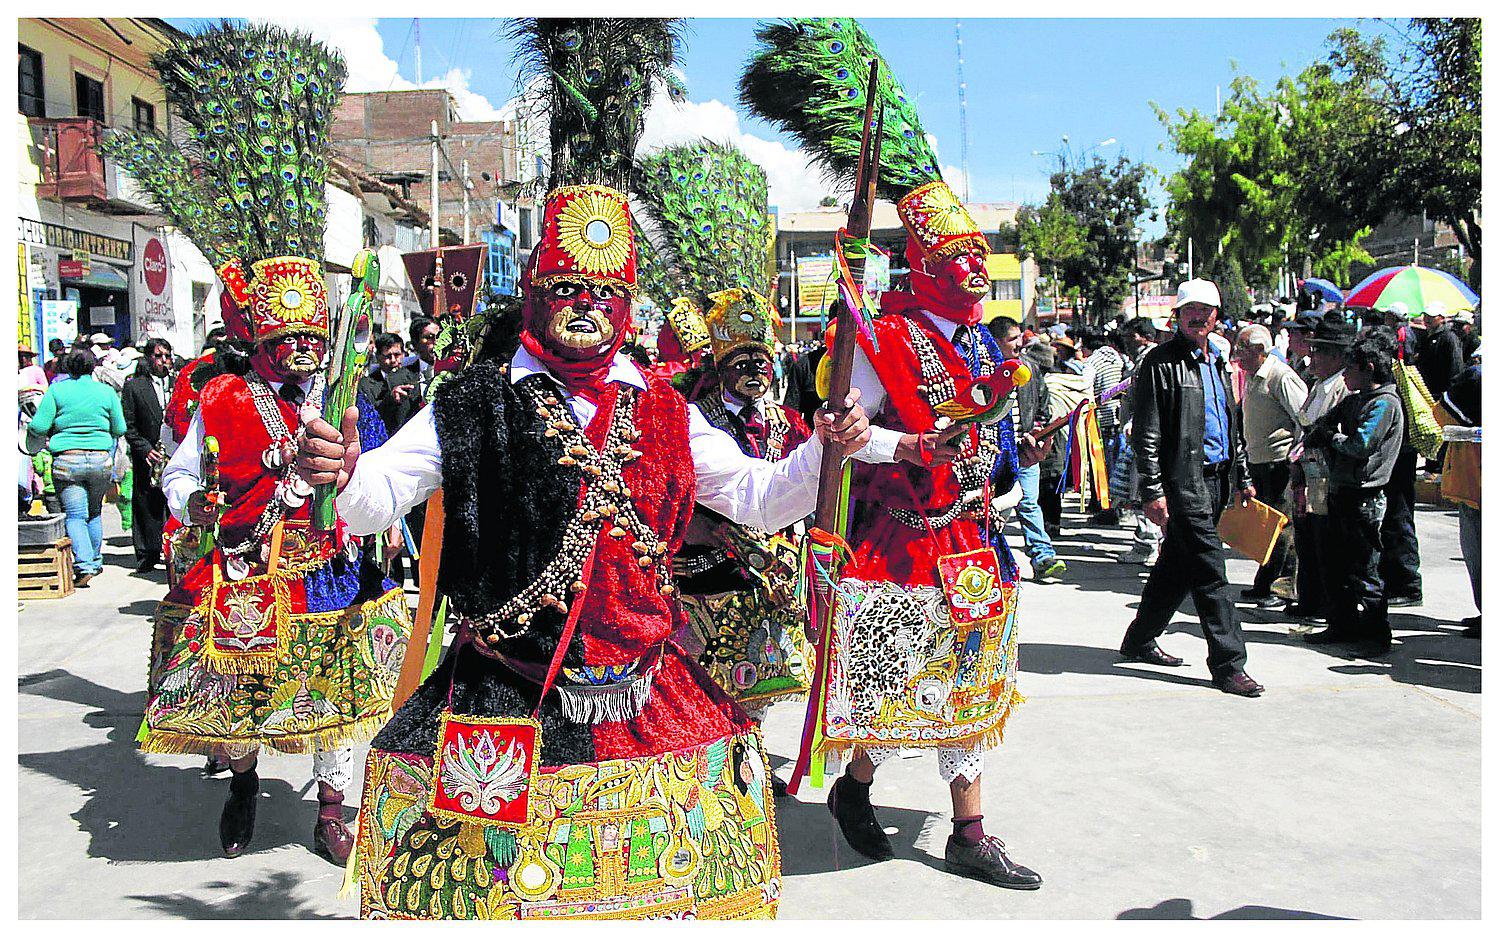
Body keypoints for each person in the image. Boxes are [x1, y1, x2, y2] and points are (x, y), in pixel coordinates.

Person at [299, 20, 871, 918]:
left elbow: (761, 502)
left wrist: (823, 451)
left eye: (604, 293)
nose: (585, 310)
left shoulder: (666, 407)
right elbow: (377, 503)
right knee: (495, 900)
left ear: (627, 301)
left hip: (647, 696)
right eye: (566, 289)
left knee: (656, 893)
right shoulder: (472, 399)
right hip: (506, 693)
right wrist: (339, 473)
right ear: (534, 292)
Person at [104, 20, 414, 865]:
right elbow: (176, 472)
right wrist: (195, 502)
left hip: (336, 565)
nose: (305, 353)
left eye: (313, 340)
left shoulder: (351, 394)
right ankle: (242, 779)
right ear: (264, 341)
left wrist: (388, 525)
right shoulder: (226, 395)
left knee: (341, 691)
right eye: (291, 343)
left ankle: (335, 809)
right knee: (241, 694)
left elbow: (382, 468)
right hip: (247, 562)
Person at [745, 17, 1041, 890]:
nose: (978, 266)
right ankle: (856, 787)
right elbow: (849, 434)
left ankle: (970, 829)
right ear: (925, 260)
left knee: (969, 682)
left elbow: (987, 434)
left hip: (971, 536)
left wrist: (1003, 474)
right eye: (962, 253)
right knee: (893, 683)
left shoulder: (986, 341)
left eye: (981, 252)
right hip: (900, 539)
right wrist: (914, 438)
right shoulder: (886, 339)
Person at [1119, 279, 1263, 697]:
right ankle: (1229, 664)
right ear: (1178, 316)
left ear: (1217, 316)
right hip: (1185, 480)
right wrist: (1152, 490)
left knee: (1176, 567)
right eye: (1190, 310)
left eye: (1206, 310)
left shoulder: (1219, 360)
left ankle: (1139, 637)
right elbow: (1146, 432)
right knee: (1210, 572)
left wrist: (1244, 476)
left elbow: (1230, 423)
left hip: (1219, 478)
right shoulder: (1159, 363)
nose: (1198, 317)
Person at [1302, 332, 1404, 653]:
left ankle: (1376, 633)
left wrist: (1332, 438)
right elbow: (1322, 423)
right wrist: (1325, 432)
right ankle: (1341, 623)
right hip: (1341, 491)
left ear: (1369, 368)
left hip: (1364, 497)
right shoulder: (1355, 399)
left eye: (1350, 369)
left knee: (1364, 569)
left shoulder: (1384, 404)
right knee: (1335, 565)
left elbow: (1360, 445)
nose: (1344, 376)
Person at [24, 348, 124, 586]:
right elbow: (119, 428)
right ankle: (95, 561)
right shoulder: (106, 392)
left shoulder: (58, 390)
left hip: (68, 462)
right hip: (101, 462)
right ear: (93, 367)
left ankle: (85, 565)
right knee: (94, 512)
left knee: (76, 515)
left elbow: (38, 425)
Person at [1232, 324, 1307, 606]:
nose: (1238, 355)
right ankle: (1265, 582)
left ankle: (1283, 586)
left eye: (1243, 349)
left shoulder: (1280, 377)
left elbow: (1304, 418)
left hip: (1280, 462)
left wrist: (1295, 459)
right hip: (1259, 461)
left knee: (1282, 526)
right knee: (1266, 526)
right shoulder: (1253, 377)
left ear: (1260, 351)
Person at [1285, 315, 1355, 621]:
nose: (1312, 357)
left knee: (1326, 543)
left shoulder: (1342, 388)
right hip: (1306, 473)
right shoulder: (1317, 385)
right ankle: (1309, 598)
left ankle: (1327, 603)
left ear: (1337, 356)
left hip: (1326, 475)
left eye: (1320, 351)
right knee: (1307, 539)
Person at [991, 317, 1063, 580]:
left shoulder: (1030, 369)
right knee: (995, 510)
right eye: (1012, 339)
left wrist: (1040, 431)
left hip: (1026, 451)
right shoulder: (985, 371)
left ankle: (1042, 555)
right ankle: (989, 558)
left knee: (1030, 503)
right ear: (996, 341)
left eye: (1020, 337)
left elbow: (1042, 404)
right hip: (997, 454)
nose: (1019, 343)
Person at [1434, 351, 1481, 637]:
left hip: (1474, 483)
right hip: (1472, 485)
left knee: (1478, 552)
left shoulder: (1476, 378)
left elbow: (1441, 415)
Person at [121, 337, 174, 572]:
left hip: (174, 451)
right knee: (146, 503)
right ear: (149, 358)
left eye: (167, 356)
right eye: (158, 356)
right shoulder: (135, 386)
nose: (164, 361)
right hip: (149, 453)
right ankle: (147, 552)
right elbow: (128, 425)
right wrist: (144, 448)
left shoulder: (178, 382)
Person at [1081, 327, 1127, 526]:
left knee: (1103, 466)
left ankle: (1108, 510)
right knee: (1115, 464)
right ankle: (1117, 507)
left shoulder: (1091, 363)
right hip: (1119, 416)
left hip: (1101, 419)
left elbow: (1086, 389)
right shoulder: (1118, 358)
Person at [359, 333, 423, 436]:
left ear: (403, 354)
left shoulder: (414, 378)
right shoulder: (366, 384)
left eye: (397, 355)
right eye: (388, 356)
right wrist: (390, 399)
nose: (393, 360)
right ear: (378, 357)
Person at [1417, 302, 1465, 398]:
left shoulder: (1449, 337)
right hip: (1425, 391)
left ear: (1442, 318)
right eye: (1425, 315)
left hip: (1439, 393)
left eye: (1431, 316)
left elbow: (1456, 367)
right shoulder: (1426, 336)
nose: (1427, 319)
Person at [404, 315, 440, 398]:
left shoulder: (456, 371)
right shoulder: (400, 378)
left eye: (439, 336)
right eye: (429, 337)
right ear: (415, 343)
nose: (436, 342)